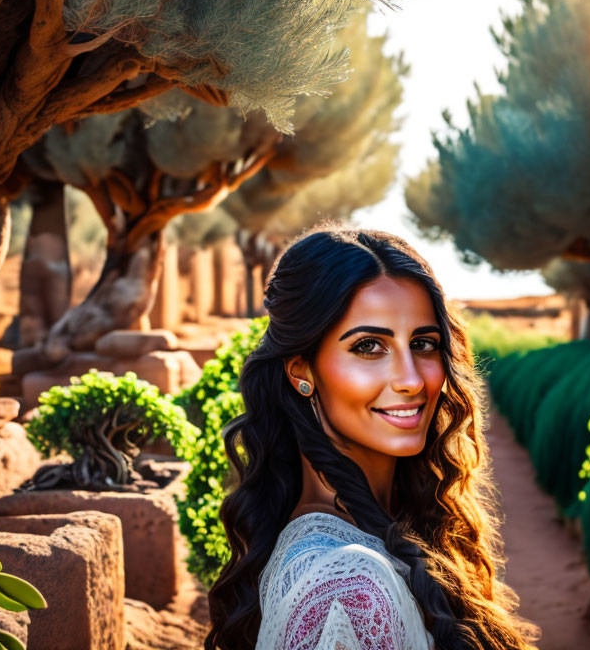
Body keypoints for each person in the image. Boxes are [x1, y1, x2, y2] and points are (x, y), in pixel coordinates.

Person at [205, 225, 539, 650]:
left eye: (423, 343)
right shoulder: (347, 591)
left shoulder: (392, 524)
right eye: (368, 346)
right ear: (301, 372)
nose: (411, 380)